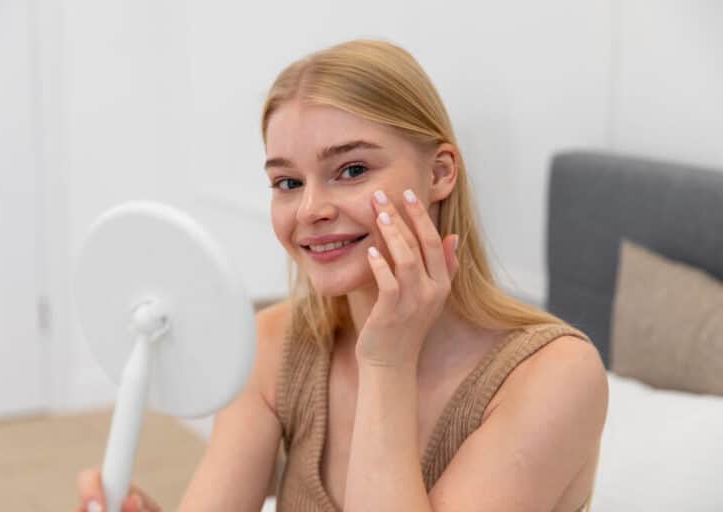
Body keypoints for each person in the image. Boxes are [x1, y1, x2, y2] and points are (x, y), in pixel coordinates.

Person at [75, 38, 608, 512]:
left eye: (351, 170)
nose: (309, 209)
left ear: (440, 172)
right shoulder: (274, 346)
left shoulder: (556, 374)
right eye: (286, 182)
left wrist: (387, 360)